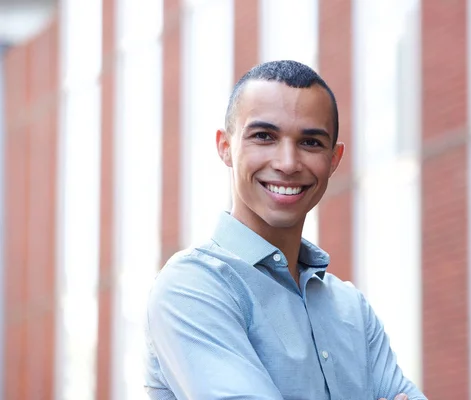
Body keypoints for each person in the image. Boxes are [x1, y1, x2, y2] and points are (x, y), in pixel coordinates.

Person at [143, 60, 427, 400]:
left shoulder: (352, 309)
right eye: (264, 136)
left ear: (334, 159)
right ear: (225, 146)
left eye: (310, 142)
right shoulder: (192, 288)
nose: (288, 163)